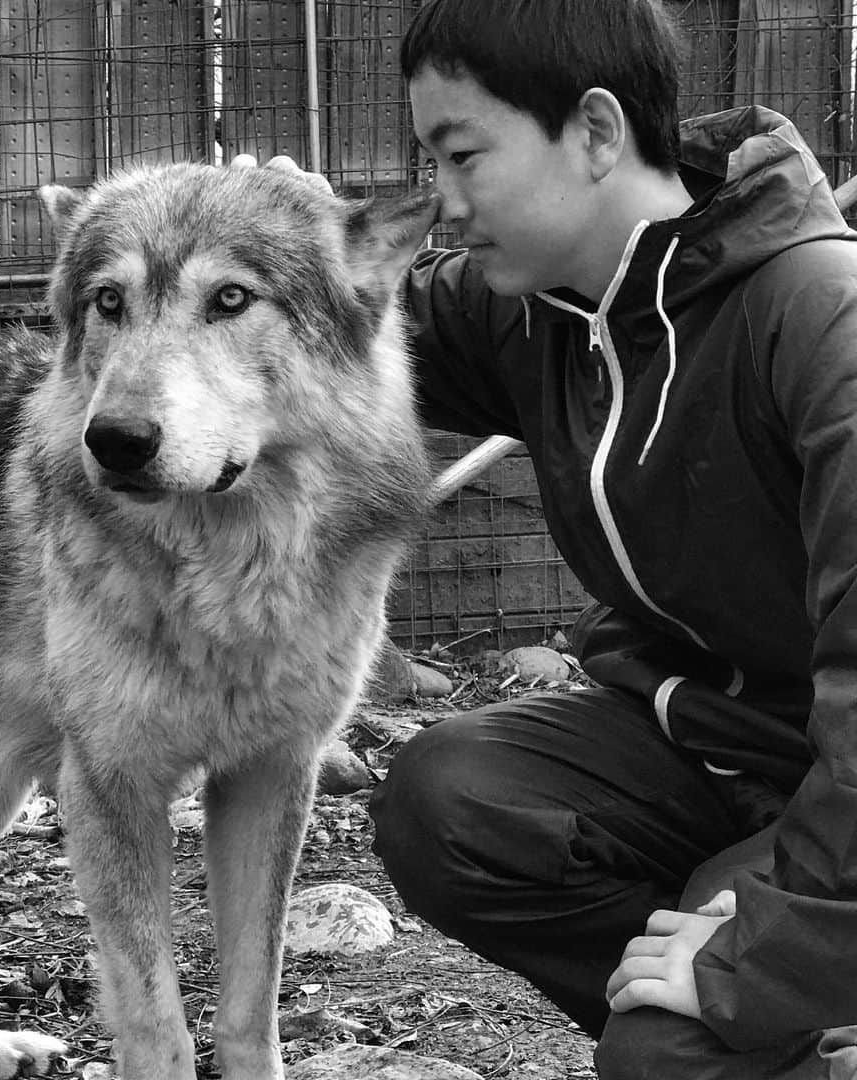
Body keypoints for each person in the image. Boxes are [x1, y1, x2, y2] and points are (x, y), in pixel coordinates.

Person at [239, 0, 857, 1075]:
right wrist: (275, 243)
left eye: (464, 155)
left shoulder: (818, 322)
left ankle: (756, 994)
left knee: (667, 1052)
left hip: (836, 786)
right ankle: (780, 1025)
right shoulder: (542, 311)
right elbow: (349, 324)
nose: (445, 200)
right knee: (456, 801)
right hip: (713, 753)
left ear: (599, 131)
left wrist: (770, 950)